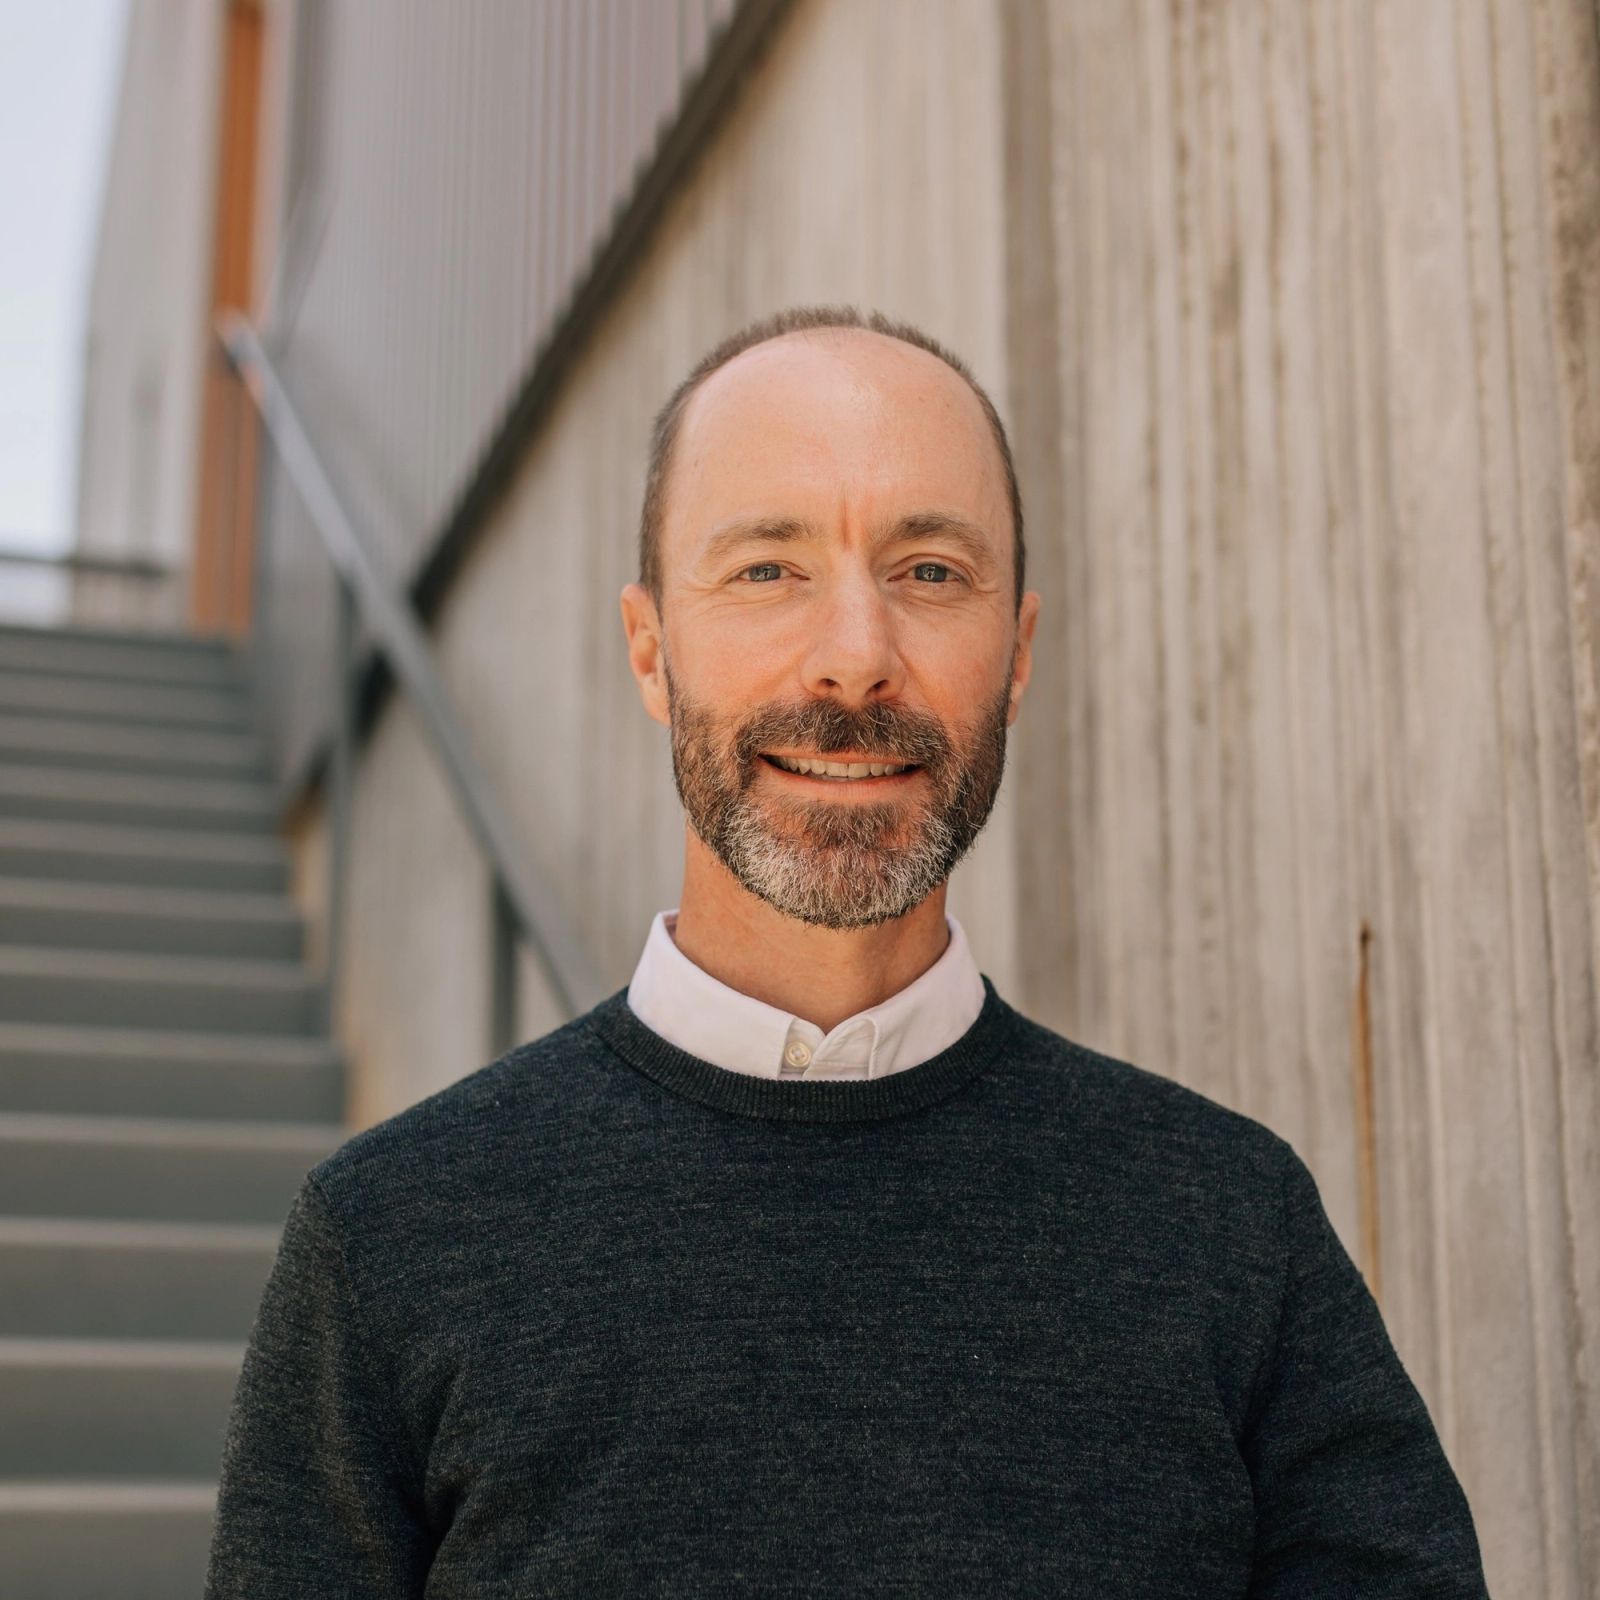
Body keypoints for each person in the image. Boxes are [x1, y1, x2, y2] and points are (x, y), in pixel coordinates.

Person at [205, 305, 1492, 1597]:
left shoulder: (1232, 1227)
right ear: (651, 650)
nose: (857, 659)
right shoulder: (388, 1241)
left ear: (1019, 653)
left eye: (930, 571)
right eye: (768, 569)